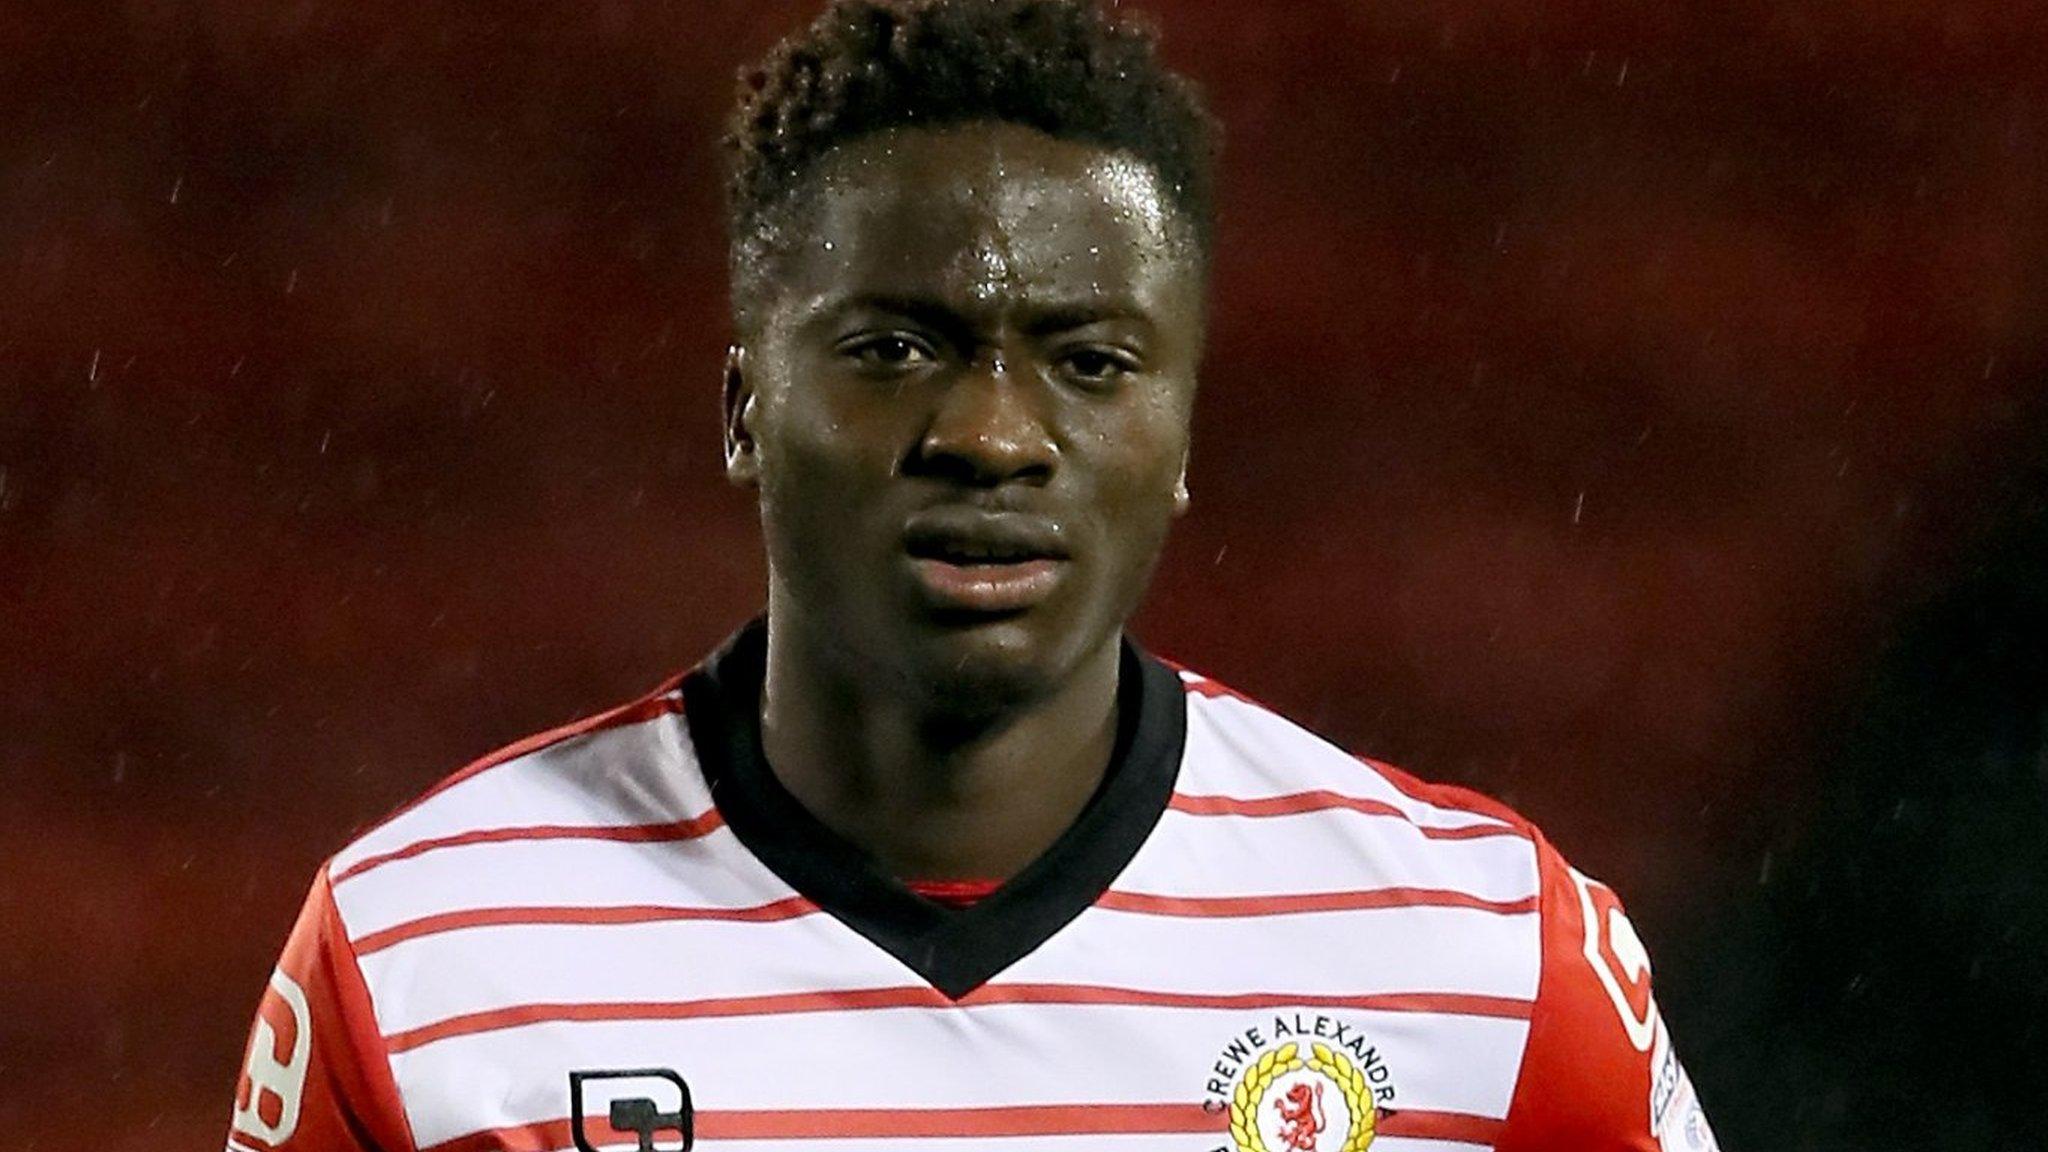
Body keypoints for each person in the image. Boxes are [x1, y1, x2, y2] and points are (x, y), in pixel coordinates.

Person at [227, 2, 1719, 1150]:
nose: (993, 435)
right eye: (895, 348)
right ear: (747, 410)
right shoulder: (421, 958)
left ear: (1182, 430)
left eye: (1088, 362)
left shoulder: (1485, 965)